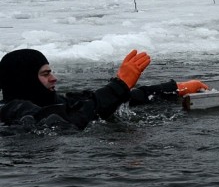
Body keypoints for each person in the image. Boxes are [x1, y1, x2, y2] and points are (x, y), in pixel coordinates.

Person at [0, 49, 208, 130]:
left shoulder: (55, 101)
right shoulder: (13, 111)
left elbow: (102, 102)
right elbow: (71, 121)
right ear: (25, 80)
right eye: (45, 74)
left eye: (51, 72)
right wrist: (119, 84)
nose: (54, 78)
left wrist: (174, 89)